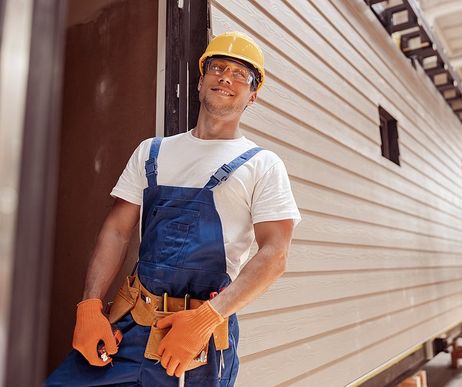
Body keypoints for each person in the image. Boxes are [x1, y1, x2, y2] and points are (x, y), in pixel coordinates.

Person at [45, 31, 301, 387]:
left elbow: (275, 254)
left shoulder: (262, 164)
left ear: (253, 95)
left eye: (241, 74)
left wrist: (206, 319)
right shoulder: (152, 151)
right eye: (217, 67)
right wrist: (89, 305)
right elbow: (117, 231)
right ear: (201, 81)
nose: (226, 77)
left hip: (196, 343)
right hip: (130, 324)